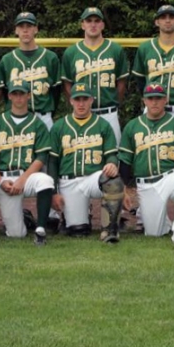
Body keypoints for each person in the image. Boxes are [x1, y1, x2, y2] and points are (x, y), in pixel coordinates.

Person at [118, 84, 174, 247]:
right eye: (150, 98)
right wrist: (124, 189)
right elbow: (125, 160)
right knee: (154, 232)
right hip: (146, 184)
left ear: (165, 100)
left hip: (170, 177)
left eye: (158, 98)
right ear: (144, 101)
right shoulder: (132, 126)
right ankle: (166, 224)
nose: (154, 102)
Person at [49, 83, 123, 242]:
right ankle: (77, 217)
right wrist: (54, 192)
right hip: (69, 182)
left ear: (91, 100)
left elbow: (111, 154)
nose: (81, 103)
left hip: (93, 178)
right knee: (78, 231)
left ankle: (109, 229)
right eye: (77, 99)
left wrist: (111, 163)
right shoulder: (59, 126)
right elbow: (53, 162)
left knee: (112, 181)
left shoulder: (103, 125)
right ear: (71, 101)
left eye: (85, 99)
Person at [0, 79, 55, 245]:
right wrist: (0, 181)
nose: (18, 97)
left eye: (22, 94)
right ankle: (25, 218)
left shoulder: (37, 124)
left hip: (28, 177)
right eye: (15, 93)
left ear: (28, 95)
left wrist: (23, 179)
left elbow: (41, 158)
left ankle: (40, 229)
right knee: (16, 234)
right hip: (5, 179)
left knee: (46, 180)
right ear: (9, 96)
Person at [61, 7, 129, 143]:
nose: (93, 24)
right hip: (81, 115)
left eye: (97, 21)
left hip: (108, 113)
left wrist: (114, 103)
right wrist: (76, 106)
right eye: (89, 21)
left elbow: (122, 82)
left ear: (102, 25)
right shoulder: (71, 52)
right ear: (82, 25)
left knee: (113, 153)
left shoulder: (115, 49)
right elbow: (67, 84)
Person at [0, 11, 61, 130]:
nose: (25, 30)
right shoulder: (7, 60)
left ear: (36, 29)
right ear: (16, 30)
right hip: (16, 117)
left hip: (43, 116)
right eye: (21, 26)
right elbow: (4, 92)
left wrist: (50, 111)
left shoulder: (50, 57)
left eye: (29, 26)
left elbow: (56, 91)